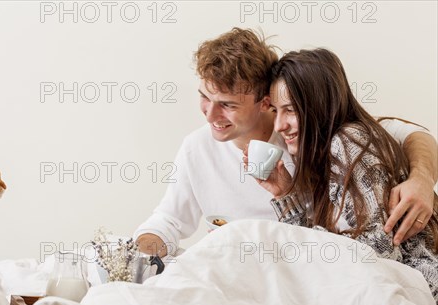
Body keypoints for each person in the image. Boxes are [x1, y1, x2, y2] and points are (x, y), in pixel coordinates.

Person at [135, 28, 438, 258]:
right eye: (204, 97)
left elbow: (411, 135)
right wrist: (141, 253)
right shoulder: (197, 148)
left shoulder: (322, 135)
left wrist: (423, 178)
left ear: (264, 102)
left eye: (227, 104)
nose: (210, 114)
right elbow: (167, 220)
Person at [255, 48, 438, 303]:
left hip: (418, 293)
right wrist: (285, 194)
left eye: (291, 110)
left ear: (320, 105)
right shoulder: (327, 154)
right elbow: (324, 259)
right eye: (276, 111)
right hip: (386, 293)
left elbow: (380, 251)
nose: (279, 125)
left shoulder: (349, 140)